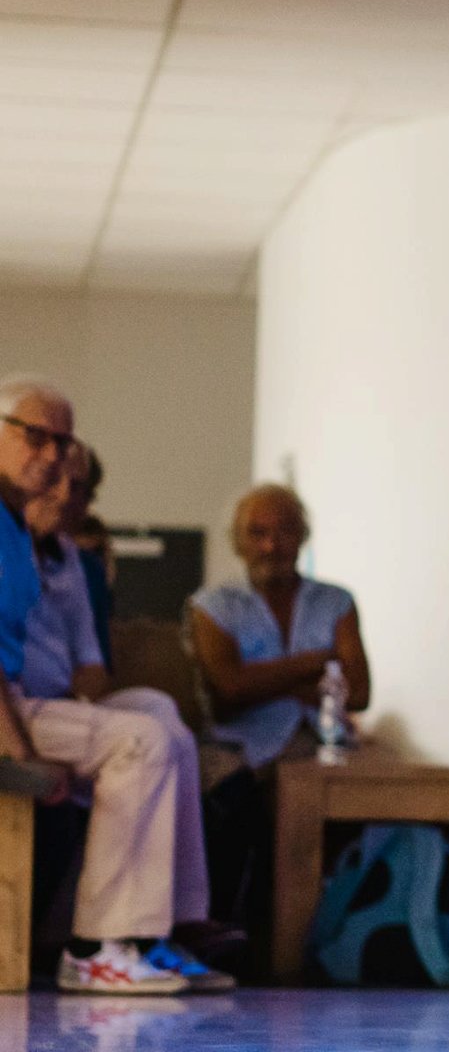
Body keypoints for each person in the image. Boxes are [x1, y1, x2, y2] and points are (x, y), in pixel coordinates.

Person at [0, 377, 228, 993]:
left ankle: (160, 933)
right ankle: (98, 946)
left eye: (63, 445)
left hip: (28, 702)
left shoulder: (22, 534)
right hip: (11, 711)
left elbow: (81, 662)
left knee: (159, 721)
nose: (51, 457)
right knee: (140, 741)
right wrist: (23, 754)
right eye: (35, 437)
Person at [187, 484, 371, 775]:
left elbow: (359, 693)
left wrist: (262, 682)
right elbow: (229, 690)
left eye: (285, 531)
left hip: (329, 749)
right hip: (242, 756)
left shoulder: (335, 601)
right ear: (237, 542)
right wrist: (317, 661)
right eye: (257, 533)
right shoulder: (212, 606)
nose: (271, 546)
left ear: (302, 537)